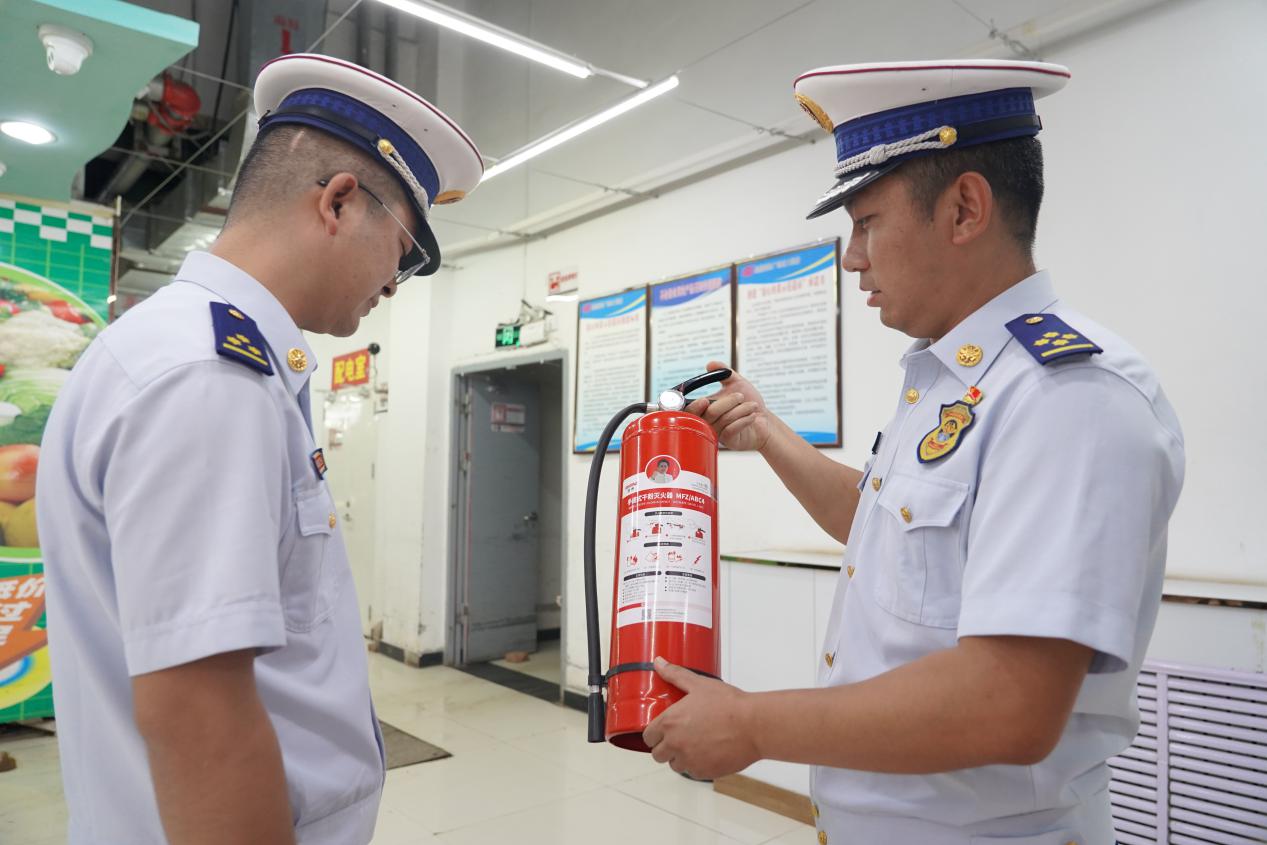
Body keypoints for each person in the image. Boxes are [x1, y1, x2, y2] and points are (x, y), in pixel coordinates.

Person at [642, 60, 1185, 844]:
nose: (851, 257)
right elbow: (882, 529)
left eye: (865, 223)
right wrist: (764, 430)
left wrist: (754, 725)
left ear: (964, 209)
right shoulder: (952, 378)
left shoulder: (1068, 397)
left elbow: (1008, 700)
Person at [36, 54, 482, 844]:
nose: (395, 281)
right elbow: (197, 712)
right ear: (340, 202)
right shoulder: (207, 376)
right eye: (406, 251)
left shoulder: (183, 351)